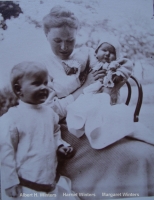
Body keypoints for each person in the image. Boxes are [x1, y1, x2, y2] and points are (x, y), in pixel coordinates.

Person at [41, 5, 154, 198]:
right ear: (46, 35)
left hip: (97, 115)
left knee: (146, 151)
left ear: (77, 35)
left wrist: (114, 79)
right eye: (57, 40)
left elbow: (114, 69)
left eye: (70, 40)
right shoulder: (41, 66)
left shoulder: (86, 55)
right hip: (65, 128)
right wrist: (86, 87)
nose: (64, 47)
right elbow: (49, 111)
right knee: (130, 157)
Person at [0, 61, 80, 200]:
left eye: (46, 82)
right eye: (37, 83)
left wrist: (60, 145)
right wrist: (10, 182)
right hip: (26, 186)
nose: (44, 87)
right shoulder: (12, 117)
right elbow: (6, 151)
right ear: (19, 90)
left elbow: (55, 132)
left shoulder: (49, 113)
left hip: (49, 182)